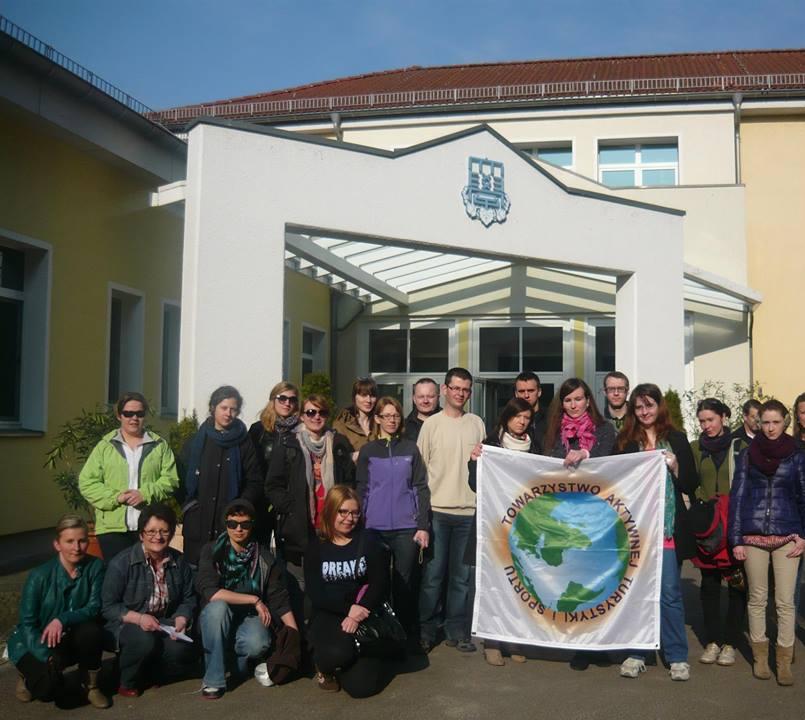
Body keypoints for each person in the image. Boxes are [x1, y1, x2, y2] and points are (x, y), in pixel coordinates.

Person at [617, 383, 698, 682]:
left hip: (667, 529)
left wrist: (675, 467)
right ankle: (638, 652)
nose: (644, 412)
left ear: (659, 406)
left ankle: (677, 656)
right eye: (639, 407)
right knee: (636, 593)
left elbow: (691, 483)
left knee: (670, 594)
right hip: (636, 532)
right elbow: (612, 478)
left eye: (649, 405)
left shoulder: (676, 439)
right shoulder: (626, 442)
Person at [729, 399, 805, 686]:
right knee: (757, 598)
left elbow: (803, 496)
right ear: (757, 423)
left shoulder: (796, 455)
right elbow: (737, 498)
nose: (771, 428)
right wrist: (736, 539)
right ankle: (760, 658)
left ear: (785, 422)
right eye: (765, 422)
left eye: (776, 422)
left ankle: (784, 662)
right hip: (753, 536)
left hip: (788, 536)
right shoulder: (747, 455)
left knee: (785, 602)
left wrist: (803, 535)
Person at [542, 377, 616, 670]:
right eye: (568, 400)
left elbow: (607, 458)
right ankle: (579, 645)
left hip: (596, 516)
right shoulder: (551, 432)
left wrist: (585, 453)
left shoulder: (604, 429)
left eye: (578, 399)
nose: (573, 405)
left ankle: (600, 643)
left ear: (588, 400)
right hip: (565, 515)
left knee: (596, 579)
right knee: (571, 578)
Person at [196, 499, 298, 699]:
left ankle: (232, 663)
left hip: (248, 618)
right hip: (216, 618)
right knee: (218, 608)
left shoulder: (264, 557)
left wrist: (294, 634)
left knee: (258, 642)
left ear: (252, 525)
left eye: (245, 524)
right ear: (225, 524)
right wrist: (254, 600)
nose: (238, 529)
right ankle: (213, 680)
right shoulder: (211, 551)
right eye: (232, 524)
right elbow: (210, 592)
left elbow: (278, 597)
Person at [266, 394, 354, 626]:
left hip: (331, 526)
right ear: (302, 416)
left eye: (321, 412)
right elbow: (273, 485)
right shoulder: (289, 444)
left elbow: (350, 483)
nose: (316, 417)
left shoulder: (339, 444)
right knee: (299, 585)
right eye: (311, 412)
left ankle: (326, 629)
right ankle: (300, 633)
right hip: (299, 527)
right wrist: (291, 508)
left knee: (329, 581)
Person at [417, 367, 485, 654]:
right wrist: (421, 516)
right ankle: (426, 629)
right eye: (455, 388)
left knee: (462, 577)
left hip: (468, 512)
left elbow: (484, 468)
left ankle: (456, 628)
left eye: (465, 389)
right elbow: (419, 473)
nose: (460, 393)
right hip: (437, 511)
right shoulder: (431, 425)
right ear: (445, 390)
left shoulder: (477, 423)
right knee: (433, 576)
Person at [9, 514, 109, 708]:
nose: (76, 547)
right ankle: (26, 676)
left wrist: (62, 619)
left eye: (82, 541)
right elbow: (27, 624)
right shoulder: (38, 576)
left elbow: (94, 607)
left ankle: (91, 686)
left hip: (70, 634)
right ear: (57, 544)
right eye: (69, 541)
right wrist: (45, 656)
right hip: (36, 640)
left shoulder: (95, 566)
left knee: (91, 631)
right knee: (49, 692)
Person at [468, 397, 538, 666]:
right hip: (494, 524)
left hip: (524, 527)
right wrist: (474, 461)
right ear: (507, 417)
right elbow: (474, 483)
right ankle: (492, 642)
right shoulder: (490, 445)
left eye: (527, 418)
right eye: (517, 416)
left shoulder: (536, 446)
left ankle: (513, 639)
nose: (522, 422)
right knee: (493, 583)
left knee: (519, 584)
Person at [101, 504, 197, 696]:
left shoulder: (179, 561)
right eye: (151, 531)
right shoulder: (121, 563)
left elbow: (189, 597)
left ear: (171, 533)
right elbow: (108, 607)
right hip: (127, 624)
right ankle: (126, 681)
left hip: (163, 622)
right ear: (141, 534)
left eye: (164, 531)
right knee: (144, 640)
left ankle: (150, 672)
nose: (158, 537)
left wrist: (182, 617)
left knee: (182, 649)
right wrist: (139, 618)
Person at [304, 486, 389, 697]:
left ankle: (356, 656)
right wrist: (347, 609)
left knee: (362, 689)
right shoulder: (316, 546)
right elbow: (315, 592)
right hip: (329, 612)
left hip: (362, 611)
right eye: (343, 512)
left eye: (355, 513)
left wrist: (359, 610)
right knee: (337, 652)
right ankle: (325, 668)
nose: (349, 518)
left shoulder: (368, 542)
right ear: (331, 511)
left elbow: (380, 583)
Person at [356, 396, 430, 633]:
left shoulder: (410, 449)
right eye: (387, 416)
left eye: (396, 416)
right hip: (373, 528)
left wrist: (422, 525)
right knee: (376, 583)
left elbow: (420, 487)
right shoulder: (368, 451)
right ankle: (379, 633)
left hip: (405, 528)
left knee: (404, 583)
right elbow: (362, 489)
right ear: (377, 419)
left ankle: (405, 634)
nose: (392, 420)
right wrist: (359, 524)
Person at [79, 392, 179, 562]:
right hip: (112, 528)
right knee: (118, 575)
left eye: (139, 413)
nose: (134, 418)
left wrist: (145, 494)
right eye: (128, 413)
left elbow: (171, 480)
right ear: (119, 416)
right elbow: (87, 482)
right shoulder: (105, 446)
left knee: (148, 574)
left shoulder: (159, 445)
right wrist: (115, 497)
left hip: (150, 527)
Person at [690, 398, 746, 666]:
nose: (706, 426)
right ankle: (713, 641)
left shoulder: (741, 447)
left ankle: (731, 642)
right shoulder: (695, 448)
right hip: (709, 527)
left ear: (723, 417)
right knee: (710, 585)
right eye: (702, 421)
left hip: (734, 524)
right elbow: (688, 481)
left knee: (737, 585)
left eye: (710, 420)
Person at [181, 385, 264, 565]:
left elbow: (255, 480)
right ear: (213, 408)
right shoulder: (196, 442)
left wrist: (239, 507)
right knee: (196, 572)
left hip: (231, 524)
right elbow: (182, 478)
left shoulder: (244, 443)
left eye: (233, 409)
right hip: (198, 523)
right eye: (224, 408)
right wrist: (190, 506)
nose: (228, 413)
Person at [248, 381, 301, 545]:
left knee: (287, 550)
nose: (287, 403)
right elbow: (250, 466)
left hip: (288, 500)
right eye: (282, 398)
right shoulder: (258, 430)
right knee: (260, 549)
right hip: (261, 501)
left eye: (292, 399)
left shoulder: (301, 431)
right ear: (273, 400)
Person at [333, 377, 378, 461]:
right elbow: (339, 456)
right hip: (353, 468)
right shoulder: (342, 423)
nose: (368, 400)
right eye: (363, 395)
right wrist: (362, 454)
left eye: (372, 396)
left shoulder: (380, 421)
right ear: (354, 397)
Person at [514, 371, 547, 452]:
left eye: (531, 391)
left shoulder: (551, 418)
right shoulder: (508, 418)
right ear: (516, 394)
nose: (526, 395)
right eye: (521, 391)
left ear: (539, 392)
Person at [403, 377, 441, 442]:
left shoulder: (449, 422)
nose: (425, 401)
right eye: (421, 397)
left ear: (438, 398)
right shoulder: (403, 427)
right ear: (414, 399)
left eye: (430, 396)